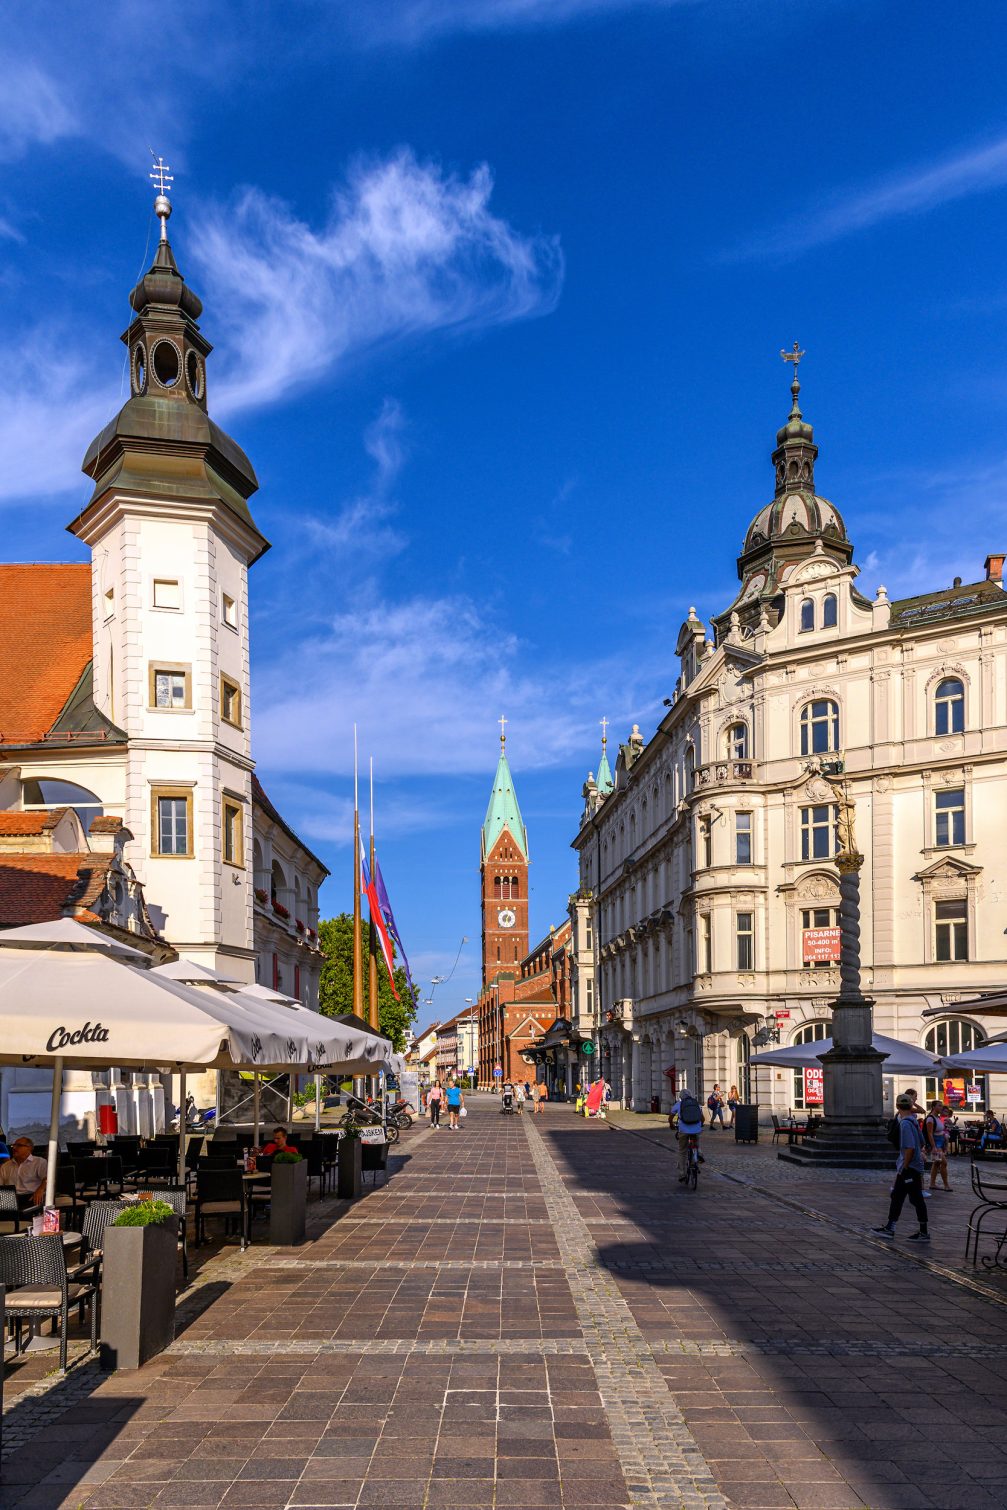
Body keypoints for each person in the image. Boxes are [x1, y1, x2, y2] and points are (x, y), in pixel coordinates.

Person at [873, 1093, 930, 1242]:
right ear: (911, 1106)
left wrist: (904, 1168)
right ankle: (892, 1227)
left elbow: (909, 1148)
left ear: (897, 1107)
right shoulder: (914, 1121)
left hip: (908, 1167)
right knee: (900, 1197)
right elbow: (922, 1142)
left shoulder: (905, 1123)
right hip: (914, 1166)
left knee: (913, 1198)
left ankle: (919, 1232)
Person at [0, 1136, 48, 1207]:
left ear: (29, 1148)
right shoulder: (5, 1166)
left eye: (19, 1145)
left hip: (31, 1197)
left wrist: (40, 1189)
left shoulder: (39, 1162)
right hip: (9, 1199)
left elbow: (48, 1179)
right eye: (13, 1145)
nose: (14, 1148)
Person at [670, 1091, 704, 1184]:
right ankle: (699, 1154)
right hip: (696, 1129)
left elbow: (671, 1116)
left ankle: (682, 1174)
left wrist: (671, 1125)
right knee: (696, 1141)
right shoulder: (696, 1104)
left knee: (682, 1151)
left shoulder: (679, 1104)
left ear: (681, 1097)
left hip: (684, 1130)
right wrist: (701, 1125)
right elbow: (702, 1118)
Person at [924, 1101, 952, 1192]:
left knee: (936, 1163)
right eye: (939, 1106)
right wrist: (934, 1147)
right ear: (933, 1107)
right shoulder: (930, 1119)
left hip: (940, 1143)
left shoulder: (938, 1117)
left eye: (941, 1106)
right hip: (936, 1144)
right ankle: (946, 1185)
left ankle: (932, 1184)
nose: (941, 1108)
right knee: (943, 1163)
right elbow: (929, 1133)